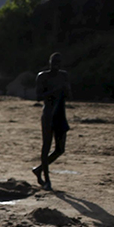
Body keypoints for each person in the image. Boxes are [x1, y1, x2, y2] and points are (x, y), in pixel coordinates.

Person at [32, 52, 72, 191]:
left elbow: (69, 95)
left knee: (60, 149)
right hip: (48, 114)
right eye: (54, 62)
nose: (56, 65)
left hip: (60, 114)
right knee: (46, 146)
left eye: (59, 63)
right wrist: (55, 90)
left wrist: (66, 89)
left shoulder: (63, 75)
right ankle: (47, 180)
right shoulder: (43, 76)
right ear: (49, 63)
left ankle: (38, 169)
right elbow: (38, 96)